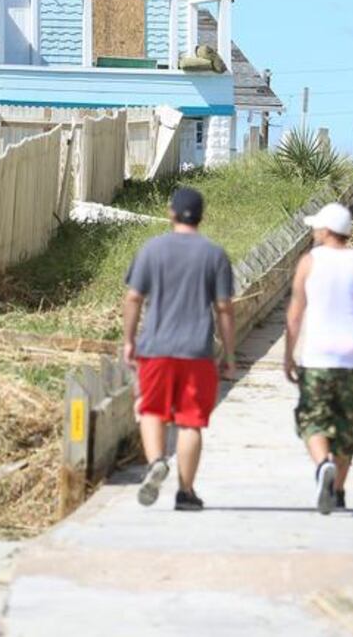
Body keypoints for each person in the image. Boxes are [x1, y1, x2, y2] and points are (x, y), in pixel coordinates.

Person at [123, 186, 236, 511]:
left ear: (171, 212)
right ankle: (186, 492)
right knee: (190, 421)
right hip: (197, 352)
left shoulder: (152, 249)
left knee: (151, 410)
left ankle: (157, 461)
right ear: (201, 216)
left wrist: (129, 340)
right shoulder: (214, 255)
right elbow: (224, 307)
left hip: (156, 348)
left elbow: (133, 297)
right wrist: (228, 355)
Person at [284, 201, 353, 514]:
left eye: (317, 227)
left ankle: (322, 466)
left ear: (326, 230)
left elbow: (294, 315)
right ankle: (338, 490)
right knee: (346, 428)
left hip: (317, 356)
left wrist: (288, 356)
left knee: (312, 419)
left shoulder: (309, 261)